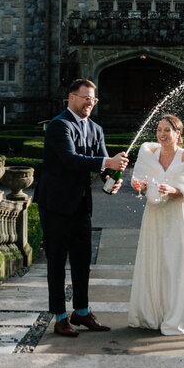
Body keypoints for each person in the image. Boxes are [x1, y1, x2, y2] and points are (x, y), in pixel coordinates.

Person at [36, 78, 128, 337]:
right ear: (71, 98)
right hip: (55, 204)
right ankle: (61, 317)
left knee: (82, 261)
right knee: (56, 262)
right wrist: (107, 162)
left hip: (81, 205)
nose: (90, 102)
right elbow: (70, 159)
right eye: (86, 97)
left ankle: (82, 312)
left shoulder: (96, 129)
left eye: (93, 99)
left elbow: (101, 167)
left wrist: (111, 179)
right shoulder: (58, 125)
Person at [127, 113, 184, 335]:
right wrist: (138, 185)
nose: (161, 134)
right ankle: (153, 314)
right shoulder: (147, 154)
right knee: (155, 261)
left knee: (177, 264)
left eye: (167, 130)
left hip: (179, 215)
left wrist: (174, 190)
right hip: (155, 215)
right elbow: (138, 179)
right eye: (159, 130)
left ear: (178, 133)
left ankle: (180, 315)